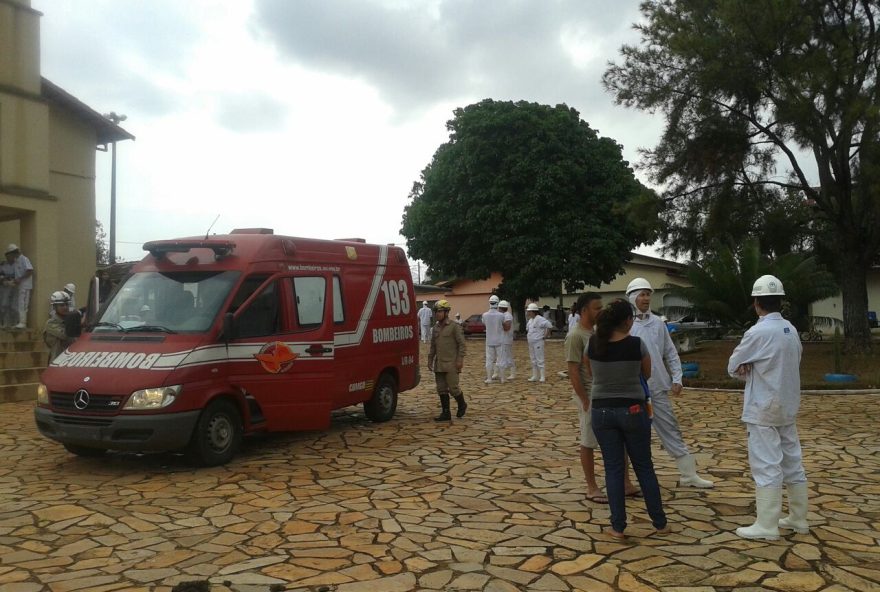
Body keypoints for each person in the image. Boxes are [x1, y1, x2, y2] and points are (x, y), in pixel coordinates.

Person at [728, 275, 807, 540]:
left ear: (756, 302)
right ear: (780, 301)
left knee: (766, 464)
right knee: (792, 461)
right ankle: (799, 517)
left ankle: (767, 524)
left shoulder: (757, 332)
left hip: (763, 407)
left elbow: (733, 366)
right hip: (787, 403)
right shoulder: (791, 329)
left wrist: (748, 368)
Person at [587, 298, 669, 539]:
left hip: (601, 411)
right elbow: (646, 372)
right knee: (644, 466)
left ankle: (617, 527)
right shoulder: (637, 345)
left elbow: (591, 373)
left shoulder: (593, 344)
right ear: (626, 321)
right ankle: (660, 523)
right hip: (633, 409)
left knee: (613, 468)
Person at [626, 278, 714, 488]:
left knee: (670, 428)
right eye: (642, 294)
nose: (646, 298)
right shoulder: (625, 324)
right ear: (632, 297)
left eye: (648, 294)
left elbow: (670, 352)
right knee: (633, 434)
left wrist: (677, 378)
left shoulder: (658, 323)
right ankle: (629, 479)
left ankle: (688, 474)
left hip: (657, 388)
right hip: (633, 389)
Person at [566, 292, 640, 503]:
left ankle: (625, 483)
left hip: (606, 394)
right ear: (584, 311)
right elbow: (573, 370)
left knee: (620, 439)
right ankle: (592, 487)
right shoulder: (576, 336)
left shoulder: (601, 332)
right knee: (588, 441)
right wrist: (585, 399)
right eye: (596, 308)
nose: (600, 311)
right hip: (590, 396)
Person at [427, 299, 466, 421]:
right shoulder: (435, 328)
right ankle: (445, 413)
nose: (437, 314)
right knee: (441, 389)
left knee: (453, 388)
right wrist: (430, 359)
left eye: (439, 311)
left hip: (451, 364)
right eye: (436, 312)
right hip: (439, 364)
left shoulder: (454, 327)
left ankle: (462, 404)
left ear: (446, 312)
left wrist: (460, 360)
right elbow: (433, 345)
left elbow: (462, 345)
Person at [43, 291, 82, 361]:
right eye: (61, 305)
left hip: (72, 359)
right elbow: (66, 335)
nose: (65, 307)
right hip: (58, 361)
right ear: (54, 307)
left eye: (67, 305)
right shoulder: (51, 323)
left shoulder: (70, 320)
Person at [5, 244, 33, 329]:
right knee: (19, 304)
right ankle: (20, 322)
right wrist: (12, 281)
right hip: (20, 286)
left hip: (25, 286)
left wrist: (19, 279)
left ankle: (23, 323)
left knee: (23, 304)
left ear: (14, 252)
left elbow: (30, 270)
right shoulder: (16, 260)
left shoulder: (24, 259)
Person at [525, 302, 553, 382]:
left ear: (533, 311)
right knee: (533, 359)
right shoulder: (530, 320)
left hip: (538, 342)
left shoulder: (540, 319)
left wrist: (546, 335)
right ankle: (535, 376)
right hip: (531, 342)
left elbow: (549, 325)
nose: (528, 313)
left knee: (540, 359)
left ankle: (542, 376)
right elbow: (528, 329)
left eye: (529, 311)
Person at [482, 295, 505, 383]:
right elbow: (503, 324)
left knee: (489, 360)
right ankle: (503, 378)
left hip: (489, 340)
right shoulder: (501, 315)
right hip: (499, 340)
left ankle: (489, 378)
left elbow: (485, 324)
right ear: (498, 303)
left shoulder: (485, 315)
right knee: (501, 359)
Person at [497, 299, 515, 380]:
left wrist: (500, 322)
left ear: (501, 308)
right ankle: (499, 373)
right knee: (501, 357)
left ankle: (512, 373)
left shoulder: (507, 316)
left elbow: (507, 327)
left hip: (506, 340)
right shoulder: (502, 315)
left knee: (508, 357)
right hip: (502, 339)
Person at [0, 256, 15, 328]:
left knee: (9, 306)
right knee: (3, 305)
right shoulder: (2, 266)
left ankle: (9, 323)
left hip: (9, 289)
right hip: (3, 289)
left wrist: (8, 281)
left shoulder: (14, 266)